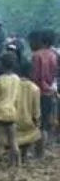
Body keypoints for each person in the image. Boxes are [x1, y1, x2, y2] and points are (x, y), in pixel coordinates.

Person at [30, 30, 57, 158]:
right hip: (49, 91)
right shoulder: (53, 55)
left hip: (37, 92)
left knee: (36, 122)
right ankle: (40, 153)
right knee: (45, 123)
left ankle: (36, 152)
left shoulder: (37, 55)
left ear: (42, 40)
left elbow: (35, 76)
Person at [16, 61, 41, 162]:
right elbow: (36, 110)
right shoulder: (35, 88)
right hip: (27, 122)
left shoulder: (14, 84)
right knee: (36, 133)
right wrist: (37, 120)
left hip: (13, 120)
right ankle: (24, 155)